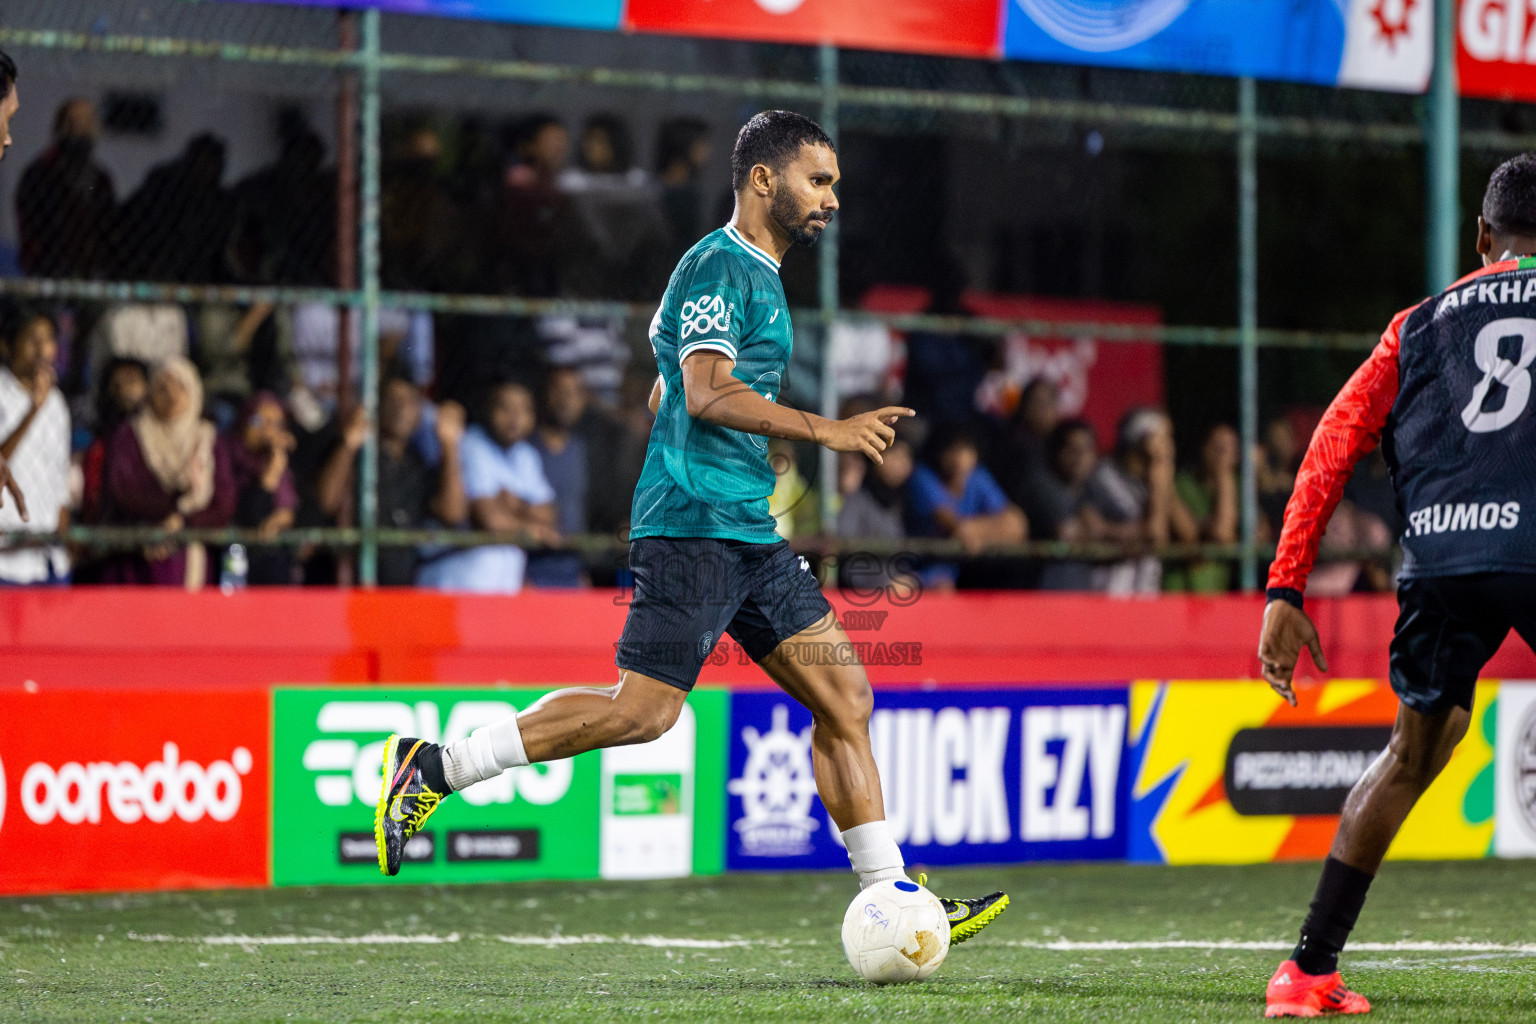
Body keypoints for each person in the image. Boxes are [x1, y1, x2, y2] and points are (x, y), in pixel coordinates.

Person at [373, 110, 1010, 944]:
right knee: (643, 713)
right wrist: (826, 429)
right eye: (818, 181)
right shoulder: (720, 264)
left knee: (846, 696)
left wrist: (730, 442)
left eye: (835, 186)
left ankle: (894, 894)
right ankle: (438, 766)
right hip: (693, 525)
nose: (831, 200)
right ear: (761, 180)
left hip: (744, 527)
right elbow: (704, 390)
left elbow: (666, 389)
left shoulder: (749, 274)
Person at [1256, 154, 1536, 1018]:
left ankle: (1304, 974)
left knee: (1412, 754)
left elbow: (1332, 447)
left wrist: (1285, 590)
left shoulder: (1418, 324)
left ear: (1482, 236)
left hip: (1443, 557)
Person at [316, 379, 468, 586]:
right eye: (393, 400)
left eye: (411, 402)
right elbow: (326, 502)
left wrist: (450, 445)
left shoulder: (417, 463)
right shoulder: (360, 455)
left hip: (401, 589)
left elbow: (453, 513)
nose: (402, 409)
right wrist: (347, 447)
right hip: (351, 585)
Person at [101, 357, 235, 587]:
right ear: (150, 392)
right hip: (139, 558)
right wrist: (166, 520)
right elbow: (125, 490)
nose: (171, 395)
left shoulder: (209, 439)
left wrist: (183, 523)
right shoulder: (130, 435)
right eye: (162, 387)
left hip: (195, 560)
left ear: (194, 392)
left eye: (180, 386)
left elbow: (224, 502)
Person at [415, 379, 556, 593]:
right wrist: (527, 524)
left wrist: (512, 502)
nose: (514, 418)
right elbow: (490, 519)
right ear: (487, 409)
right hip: (455, 581)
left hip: (502, 583)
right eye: (505, 408)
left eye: (523, 409)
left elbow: (548, 515)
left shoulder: (526, 455)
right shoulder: (473, 444)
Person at [905, 425, 1027, 589]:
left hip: (963, 567)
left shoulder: (977, 476)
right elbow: (955, 525)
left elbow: (1016, 524)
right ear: (938, 452)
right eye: (952, 451)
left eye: (965, 450)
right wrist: (989, 530)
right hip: (919, 567)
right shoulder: (922, 477)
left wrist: (976, 530)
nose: (959, 459)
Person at [0, 308, 69, 584]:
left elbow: (60, 477)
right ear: (7, 345)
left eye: (49, 340)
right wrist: (33, 410)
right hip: (6, 560)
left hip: (49, 560)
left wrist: (62, 531)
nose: (42, 350)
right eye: (32, 340)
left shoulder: (57, 403)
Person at [16, 98, 115, 278]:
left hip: (89, 272)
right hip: (47, 269)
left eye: (89, 122)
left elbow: (106, 220)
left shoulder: (97, 178)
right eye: (76, 123)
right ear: (62, 127)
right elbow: (31, 223)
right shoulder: (41, 173)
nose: (84, 129)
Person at [527, 367, 589, 588]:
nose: (566, 400)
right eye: (559, 391)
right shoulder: (525, 449)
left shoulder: (583, 450)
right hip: (530, 575)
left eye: (575, 392)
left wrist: (583, 571)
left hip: (572, 575)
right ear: (544, 394)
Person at [230, 391, 299, 585]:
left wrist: (285, 517)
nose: (267, 430)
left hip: (274, 576)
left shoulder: (287, 466)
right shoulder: (229, 457)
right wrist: (272, 470)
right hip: (235, 567)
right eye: (259, 421)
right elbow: (249, 515)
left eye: (276, 424)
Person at [1164, 422, 1240, 593]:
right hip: (1180, 592)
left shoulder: (1242, 487)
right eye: (1218, 448)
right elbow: (1202, 533)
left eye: (1230, 450)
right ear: (1203, 448)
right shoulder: (1183, 483)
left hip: (1218, 595)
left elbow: (1223, 534)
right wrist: (1224, 476)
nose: (1223, 456)